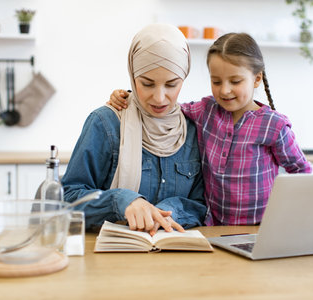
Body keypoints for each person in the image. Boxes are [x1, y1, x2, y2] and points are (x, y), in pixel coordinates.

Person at [108, 32, 312, 226]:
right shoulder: (205, 110)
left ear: (257, 78)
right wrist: (129, 95)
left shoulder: (274, 125)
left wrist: (290, 217)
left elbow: (301, 172)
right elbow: (168, 106)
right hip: (214, 228)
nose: (224, 90)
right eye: (216, 81)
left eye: (235, 81)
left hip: (261, 228)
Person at [62, 23, 206, 235]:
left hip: (176, 259)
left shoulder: (193, 129)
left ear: (183, 78)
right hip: (110, 259)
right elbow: (66, 201)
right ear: (132, 75)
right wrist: (121, 201)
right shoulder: (105, 123)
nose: (159, 97)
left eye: (171, 84)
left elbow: (200, 204)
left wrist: (167, 212)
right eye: (147, 84)